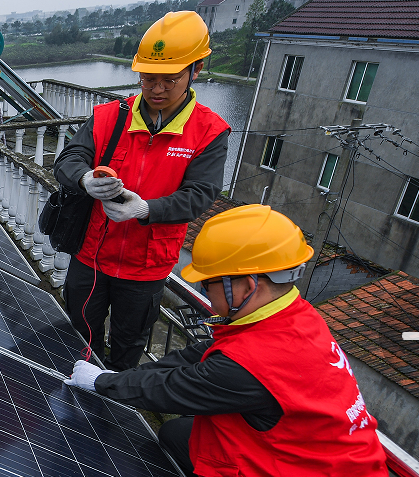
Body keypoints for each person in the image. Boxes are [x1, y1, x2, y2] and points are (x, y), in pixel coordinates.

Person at [64, 204, 388, 477]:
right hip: (307, 448)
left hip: (309, 469)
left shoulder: (254, 363)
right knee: (178, 435)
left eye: (208, 285)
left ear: (246, 286)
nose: (204, 293)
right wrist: (120, 378)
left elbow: (171, 389)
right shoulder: (291, 313)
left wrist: (103, 383)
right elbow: (199, 355)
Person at [54, 11, 231, 371]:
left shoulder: (209, 131)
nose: (156, 89)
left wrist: (145, 209)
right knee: (76, 334)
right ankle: (76, 396)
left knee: (128, 345)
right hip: (92, 255)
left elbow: (200, 194)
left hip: (146, 266)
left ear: (196, 69)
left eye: (169, 79)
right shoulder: (109, 116)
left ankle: (110, 409)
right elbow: (69, 159)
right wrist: (86, 180)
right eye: (148, 78)